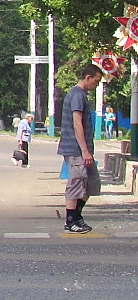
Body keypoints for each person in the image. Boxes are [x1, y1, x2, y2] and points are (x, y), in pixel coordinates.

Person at [58, 63, 104, 233]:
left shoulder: (82, 95)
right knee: (76, 183)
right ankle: (70, 221)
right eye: (96, 81)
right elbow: (77, 125)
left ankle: (77, 216)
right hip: (75, 149)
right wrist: (84, 150)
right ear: (88, 78)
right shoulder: (77, 95)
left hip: (84, 150)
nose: (96, 85)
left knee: (92, 182)